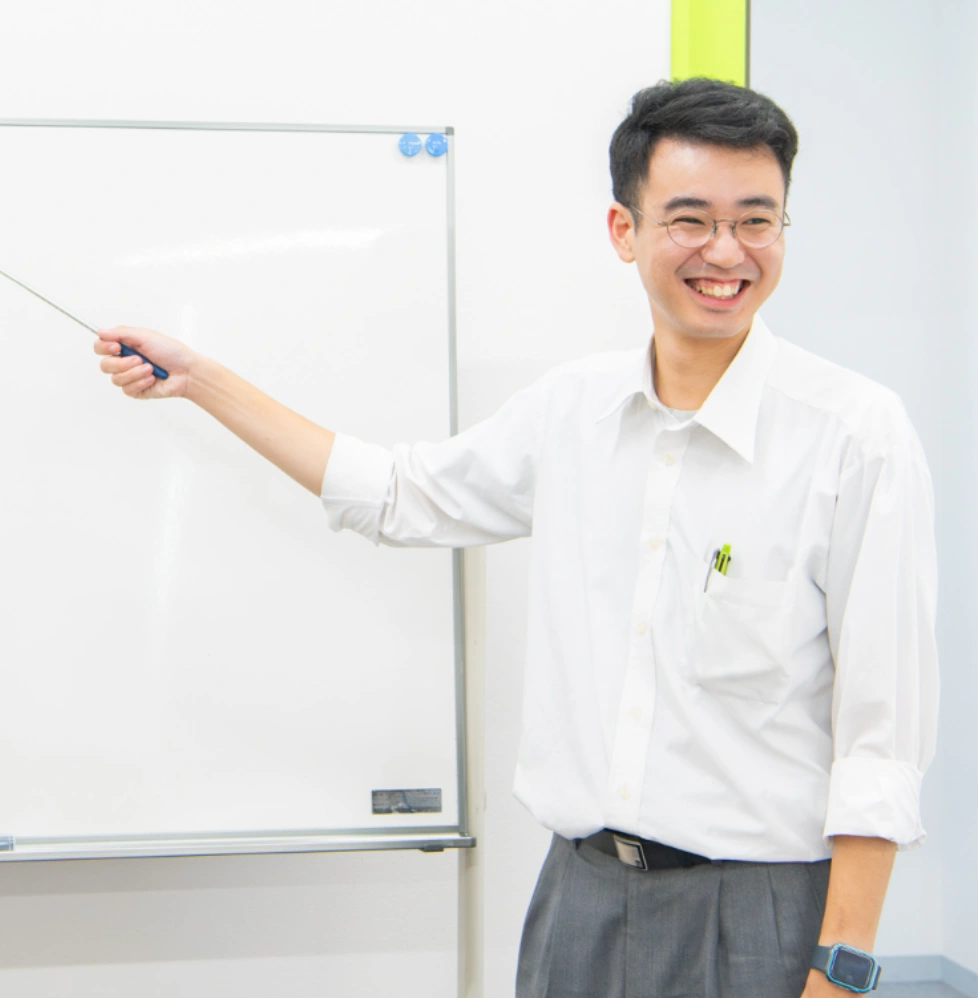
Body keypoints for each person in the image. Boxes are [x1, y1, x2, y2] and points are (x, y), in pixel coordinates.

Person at [93, 78, 937, 999]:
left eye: (756, 221)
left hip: (758, 916)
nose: (726, 252)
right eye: (690, 220)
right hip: (579, 899)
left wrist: (840, 971)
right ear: (624, 230)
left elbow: (880, 738)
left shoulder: (853, 434)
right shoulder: (571, 412)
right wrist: (202, 380)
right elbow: (396, 494)